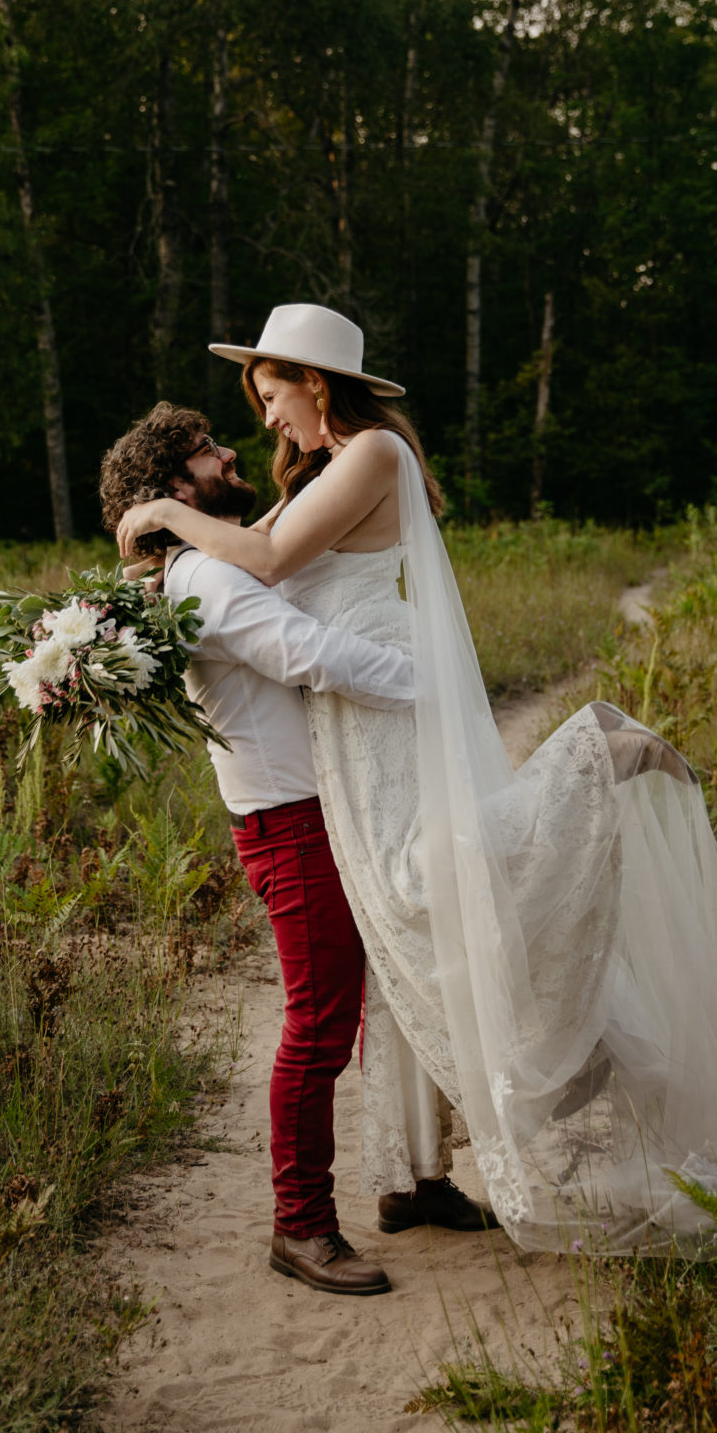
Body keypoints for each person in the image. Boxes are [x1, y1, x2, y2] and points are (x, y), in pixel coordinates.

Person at [115, 308, 717, 1256]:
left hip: (379, 714)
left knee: (437, 892)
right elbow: (243, 565)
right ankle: (421, 1175)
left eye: (270, 398)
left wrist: (163, 514)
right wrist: (136, 588)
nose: (265, 425)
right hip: (348, 734)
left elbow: (257, 562)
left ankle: (590, 756)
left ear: (315, 382)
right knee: (410, 928)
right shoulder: (322, 472)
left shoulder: (372, 452)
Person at [98, 403, 494, 1298]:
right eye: (205, 453)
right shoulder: (206, 580)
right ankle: (300, 1225)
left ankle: (416, 1181)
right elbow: (314, 657)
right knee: (318, 1028)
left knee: (398, 985)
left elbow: (290, 532)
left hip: (329, 806)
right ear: (174, 489)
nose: (231, 450)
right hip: (291, 823)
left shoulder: (207, 564)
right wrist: (439, 683)